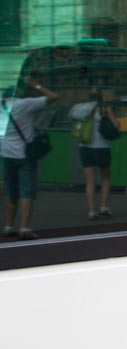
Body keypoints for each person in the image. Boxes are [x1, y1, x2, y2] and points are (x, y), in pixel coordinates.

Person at [1, 77, 58, 240]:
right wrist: (37, 85)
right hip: (25, 154)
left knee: (10, 192)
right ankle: (24, 227)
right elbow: (53, 96)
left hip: (6, 154)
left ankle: (9, 226)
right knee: (26, 192)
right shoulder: (24, 104)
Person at [77, 94, 117, 221]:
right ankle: (104, 207)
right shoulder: (102, 111)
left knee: (90, 181)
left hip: (84, 147)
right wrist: (110, 114)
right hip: (102, 148)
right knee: (105, 178)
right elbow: (117, 126)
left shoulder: (82, 111)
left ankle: (91, 211)